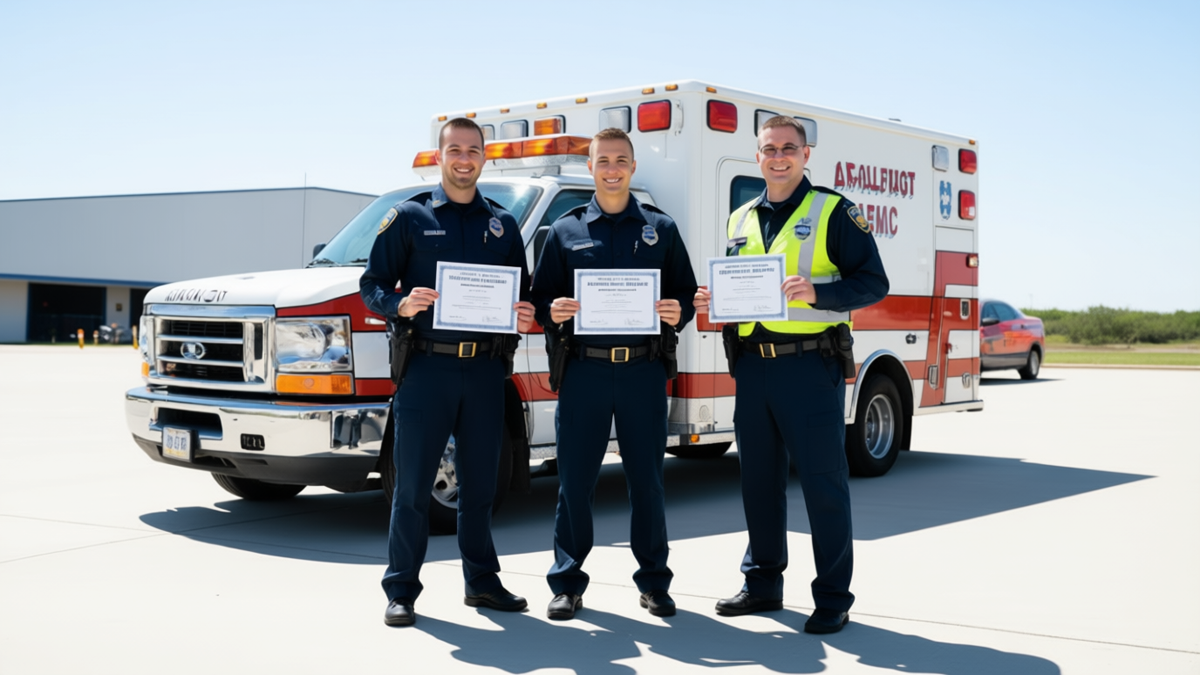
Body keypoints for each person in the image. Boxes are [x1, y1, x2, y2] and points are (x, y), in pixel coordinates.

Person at [694, 115, 888, 634]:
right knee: (758, 482)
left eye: (788, 148)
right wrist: (713, 299)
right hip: (753, 368)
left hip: (810, 365)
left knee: (823, 485)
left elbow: (874, 282)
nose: (777, 157)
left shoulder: (833, 210)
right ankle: (761, 584)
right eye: (768, 149)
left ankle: (833, 597)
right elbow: (741, 287)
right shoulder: (740, 218)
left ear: (806, 155)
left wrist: (819, 293)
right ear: (756, 157)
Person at [360, 117, 536, 627]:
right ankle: (401, 590)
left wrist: (523, 314)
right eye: (454, 149)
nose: (464, 158)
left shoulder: (503, 225)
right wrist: (399, 303)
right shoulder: (409, 218)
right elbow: (372, 284)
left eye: (473, 150)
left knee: (480, 487)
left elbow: (518, 296)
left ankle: (481, 582)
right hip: (426, 369)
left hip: (485, 373)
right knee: (412, 487)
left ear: (486, 158)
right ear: (439, 157)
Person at [532, 128, 698, 621]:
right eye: (603, 160)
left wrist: (677, 310)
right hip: (583, 373)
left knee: (647, 481)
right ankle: (566, 583)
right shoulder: (564, 231)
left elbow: (686, 294)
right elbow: (541, 300)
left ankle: (654, 583)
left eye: (621, 160)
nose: (611, 168)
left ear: (632, 167)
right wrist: (554, 310)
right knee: (575, 482)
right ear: (590, 167)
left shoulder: (660, 229)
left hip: (642, 372)